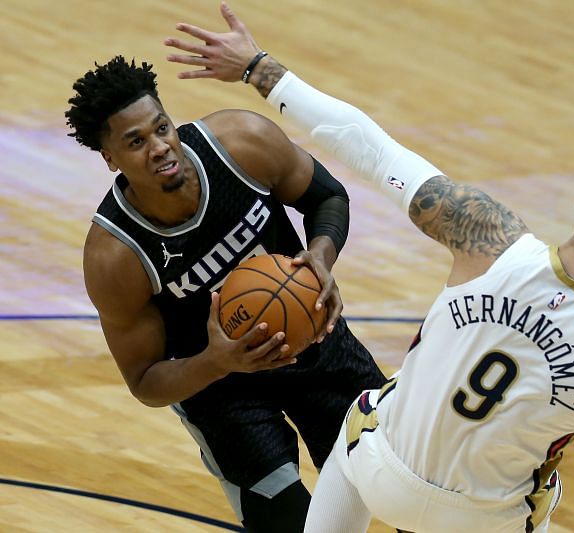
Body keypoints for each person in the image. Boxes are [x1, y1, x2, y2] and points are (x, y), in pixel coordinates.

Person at [165, 4, 574, 532]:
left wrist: (257, 68)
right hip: (478, 523)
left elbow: (372, 148)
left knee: (366, 417)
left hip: (378, 472)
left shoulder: (487, 235)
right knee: (541, 496)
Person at [66, 51, 388, 532]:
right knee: (284, 523)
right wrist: (218, 361)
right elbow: (144, 380)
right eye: (136, 142)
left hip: (314, 345)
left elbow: (327, 196)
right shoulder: (116, 257)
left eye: (161, 127)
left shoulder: (241, 144)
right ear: (110, 158)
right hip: (218, 389)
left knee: (403, 483)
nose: (159, 147)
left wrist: (320, 256)